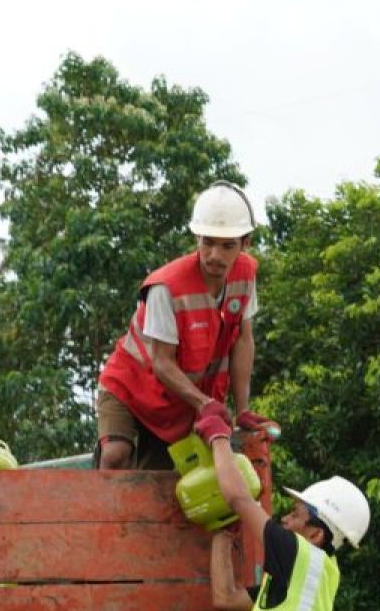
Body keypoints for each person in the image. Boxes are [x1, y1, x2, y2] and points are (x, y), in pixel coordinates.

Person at [193, 411, 371, 611]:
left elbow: (238, 497)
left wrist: (217, 436)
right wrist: (221, 532)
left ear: (316, 534)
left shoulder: (300, 555)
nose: (285, 521)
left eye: (295, 515)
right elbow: (227, 598)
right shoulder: (315, 575)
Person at [96, 181, 278, 469]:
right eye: (207, 242)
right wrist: (204, 403)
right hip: (131, 387)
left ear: (245, 244)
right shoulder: (166, 287)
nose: (215, 255)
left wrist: (242, 409)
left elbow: (243, 340)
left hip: (179, 403)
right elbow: (162, 362)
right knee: (116, 455)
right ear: (196, 238)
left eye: (227, 245)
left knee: (168, 483)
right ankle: (99, 512)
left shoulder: (246, 275)